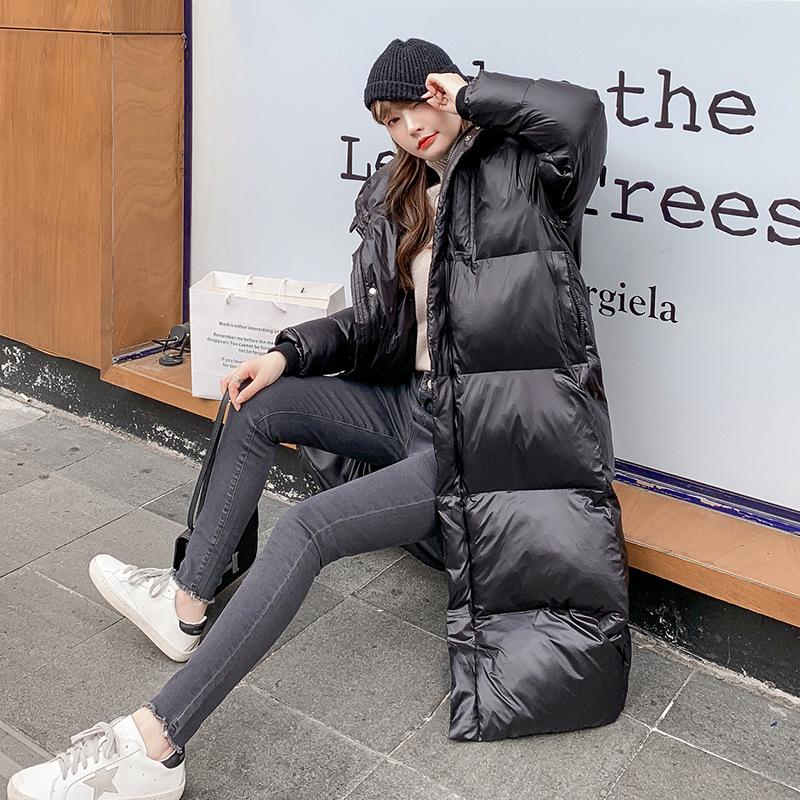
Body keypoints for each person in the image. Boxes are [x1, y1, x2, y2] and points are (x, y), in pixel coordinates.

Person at [8, 37, 629, 800]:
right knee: (257, 400)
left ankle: (155, 745)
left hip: (480, 440)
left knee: (307, 528)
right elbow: (372, 330)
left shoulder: (530, 174)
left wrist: (471, 93)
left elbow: (582, 115)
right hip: (410, 408)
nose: (410, 128)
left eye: (420, 105)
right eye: (391, 120)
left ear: (448, 91)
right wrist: (287, 353)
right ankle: (186, 603)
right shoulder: (402, 193)